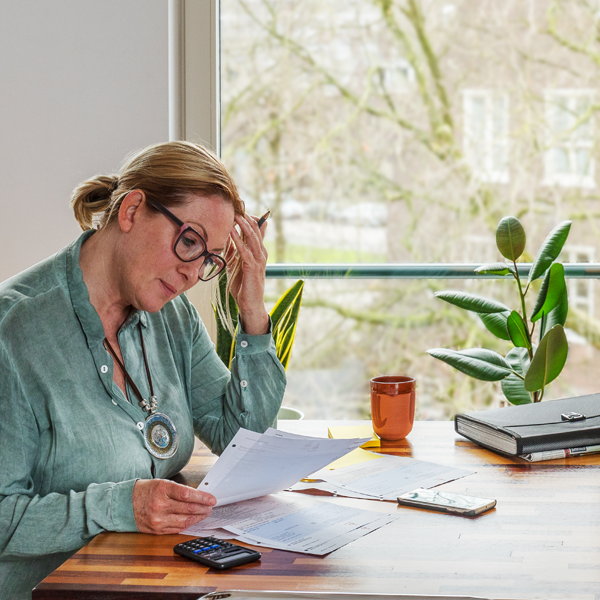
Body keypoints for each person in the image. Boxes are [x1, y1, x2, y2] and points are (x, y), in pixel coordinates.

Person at [0, 141, 286, 599]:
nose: (194, 274)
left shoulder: (173, 318)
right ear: (132, 209)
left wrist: (252, 311)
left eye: (211, 259)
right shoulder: (12, 333)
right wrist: (121, 506)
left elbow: (244, 443)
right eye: (189, 241)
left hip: (153, 583)